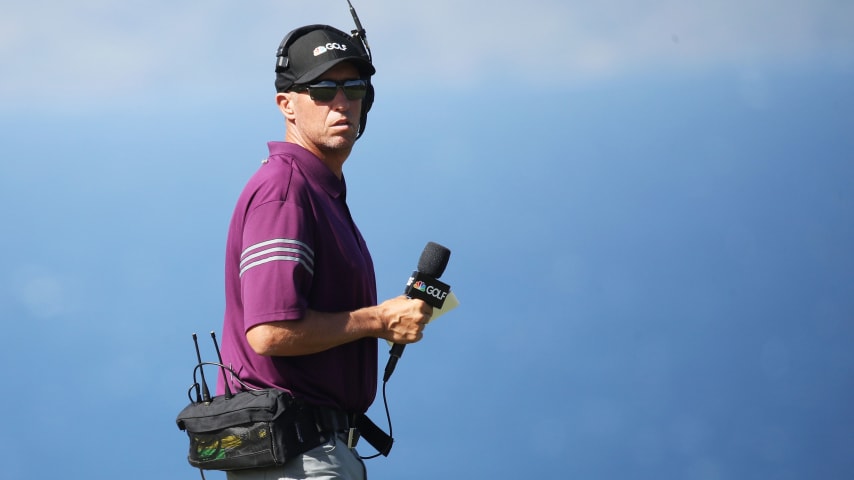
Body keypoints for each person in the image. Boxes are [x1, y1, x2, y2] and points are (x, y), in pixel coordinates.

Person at [216, 24, 433, 479]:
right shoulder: (285, 190)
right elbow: (269, 331)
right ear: (286, 105)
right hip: (297, 457)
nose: (342, 102)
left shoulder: (317, 189)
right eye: (322, 89)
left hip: (312, 453)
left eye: (354, 87)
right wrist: (377, 320)